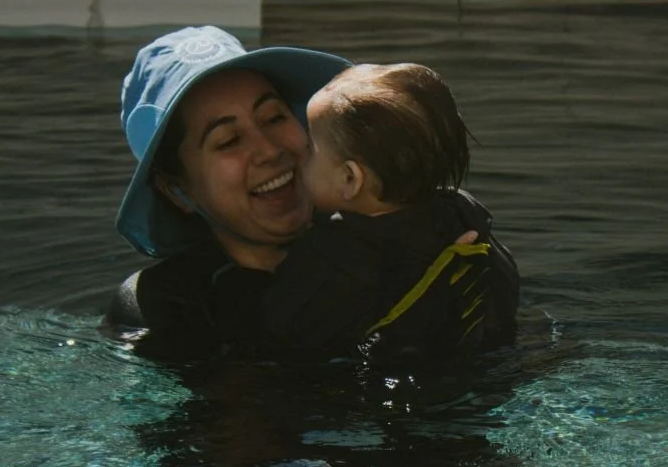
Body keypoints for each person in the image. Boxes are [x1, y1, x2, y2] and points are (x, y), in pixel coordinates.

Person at [103, 26, 518, 364]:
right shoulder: (166, 308)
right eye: (228, 140)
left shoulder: (435, 231)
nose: (270, 150)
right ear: (176, 189)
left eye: (275, 117)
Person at [262, 63, 519, 360]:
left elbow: (279, 333)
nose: (298, 157)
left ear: (350, 179)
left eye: (309, 149)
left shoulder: (328, 258)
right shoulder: (467, 218)